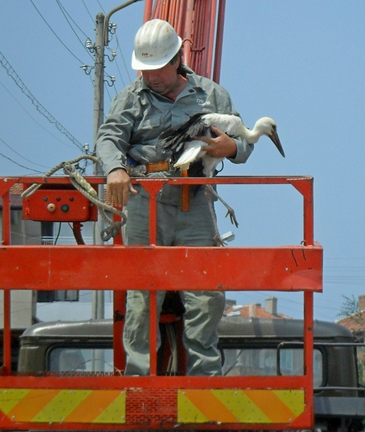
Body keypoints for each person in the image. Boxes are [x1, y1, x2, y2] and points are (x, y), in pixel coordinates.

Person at [96, 19, 253, 376]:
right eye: (144, 69)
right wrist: (115, 170)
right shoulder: (130, 98)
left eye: (157, 68)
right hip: (143, 202)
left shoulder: (213, 95)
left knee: (205, 294)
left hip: (194, 201)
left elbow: (243, 141)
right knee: (140, 297)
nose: (150, 77)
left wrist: (230, 147)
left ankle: (204, 380)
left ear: (177, 58)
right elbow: (109, 139)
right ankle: (139, 378)